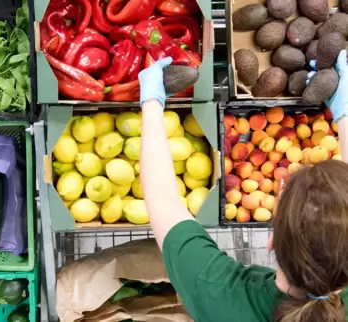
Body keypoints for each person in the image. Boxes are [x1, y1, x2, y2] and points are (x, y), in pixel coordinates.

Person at [138, 51, 348, 322]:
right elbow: (162, 202)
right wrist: (344, 114)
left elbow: (162, 201)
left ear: (271, 242)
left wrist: (151, 102)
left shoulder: (220, 293)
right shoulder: (217, 296)